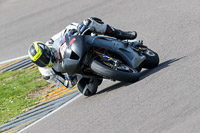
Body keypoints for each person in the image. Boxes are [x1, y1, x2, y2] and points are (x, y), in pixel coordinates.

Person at [28, 17, 137, 88]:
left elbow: (68, 28)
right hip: (76, 69)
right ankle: (106, 71)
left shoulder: (51, 43)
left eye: (43, 57)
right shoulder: (47, 73)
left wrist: (78, 27)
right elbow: (67, 84)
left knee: (89, 23)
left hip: (77, 48)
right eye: (40, 62)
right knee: (87, 90)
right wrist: (69, 77)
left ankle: (122, 34)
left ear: (46, 50)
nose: (43, 61)